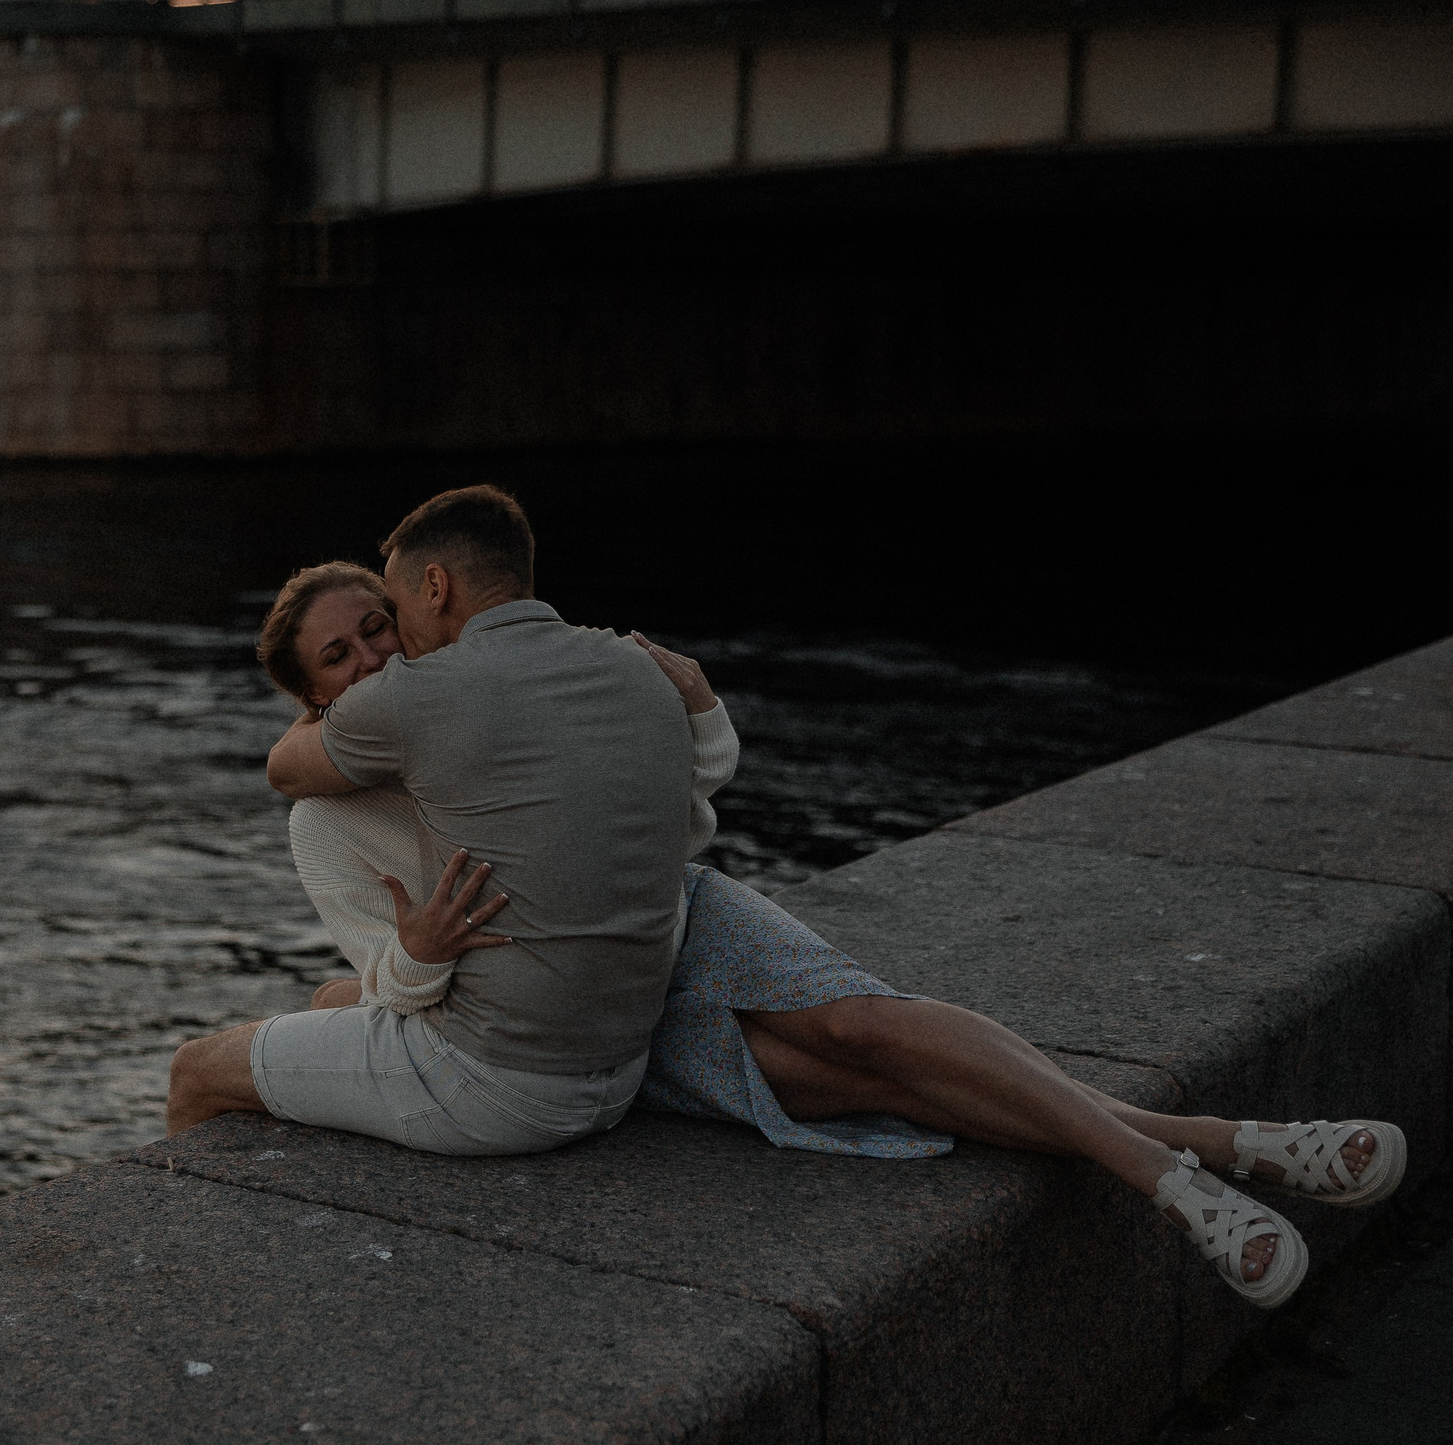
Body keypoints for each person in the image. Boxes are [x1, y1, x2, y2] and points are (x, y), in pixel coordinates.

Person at [166, 487, 1405, 1311]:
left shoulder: (476, 695)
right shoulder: (354, 782)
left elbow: (689, 813)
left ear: (426, 598)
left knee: (864, 1023)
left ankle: (1207, 1161)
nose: (376, 655)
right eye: (343, 656)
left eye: (379, 624)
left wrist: (692, 715)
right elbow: (361, 920)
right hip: (537, 1015)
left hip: (644, 938)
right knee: (856, 1074)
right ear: (317, 693)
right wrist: (415, 959)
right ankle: (1210, 1152)